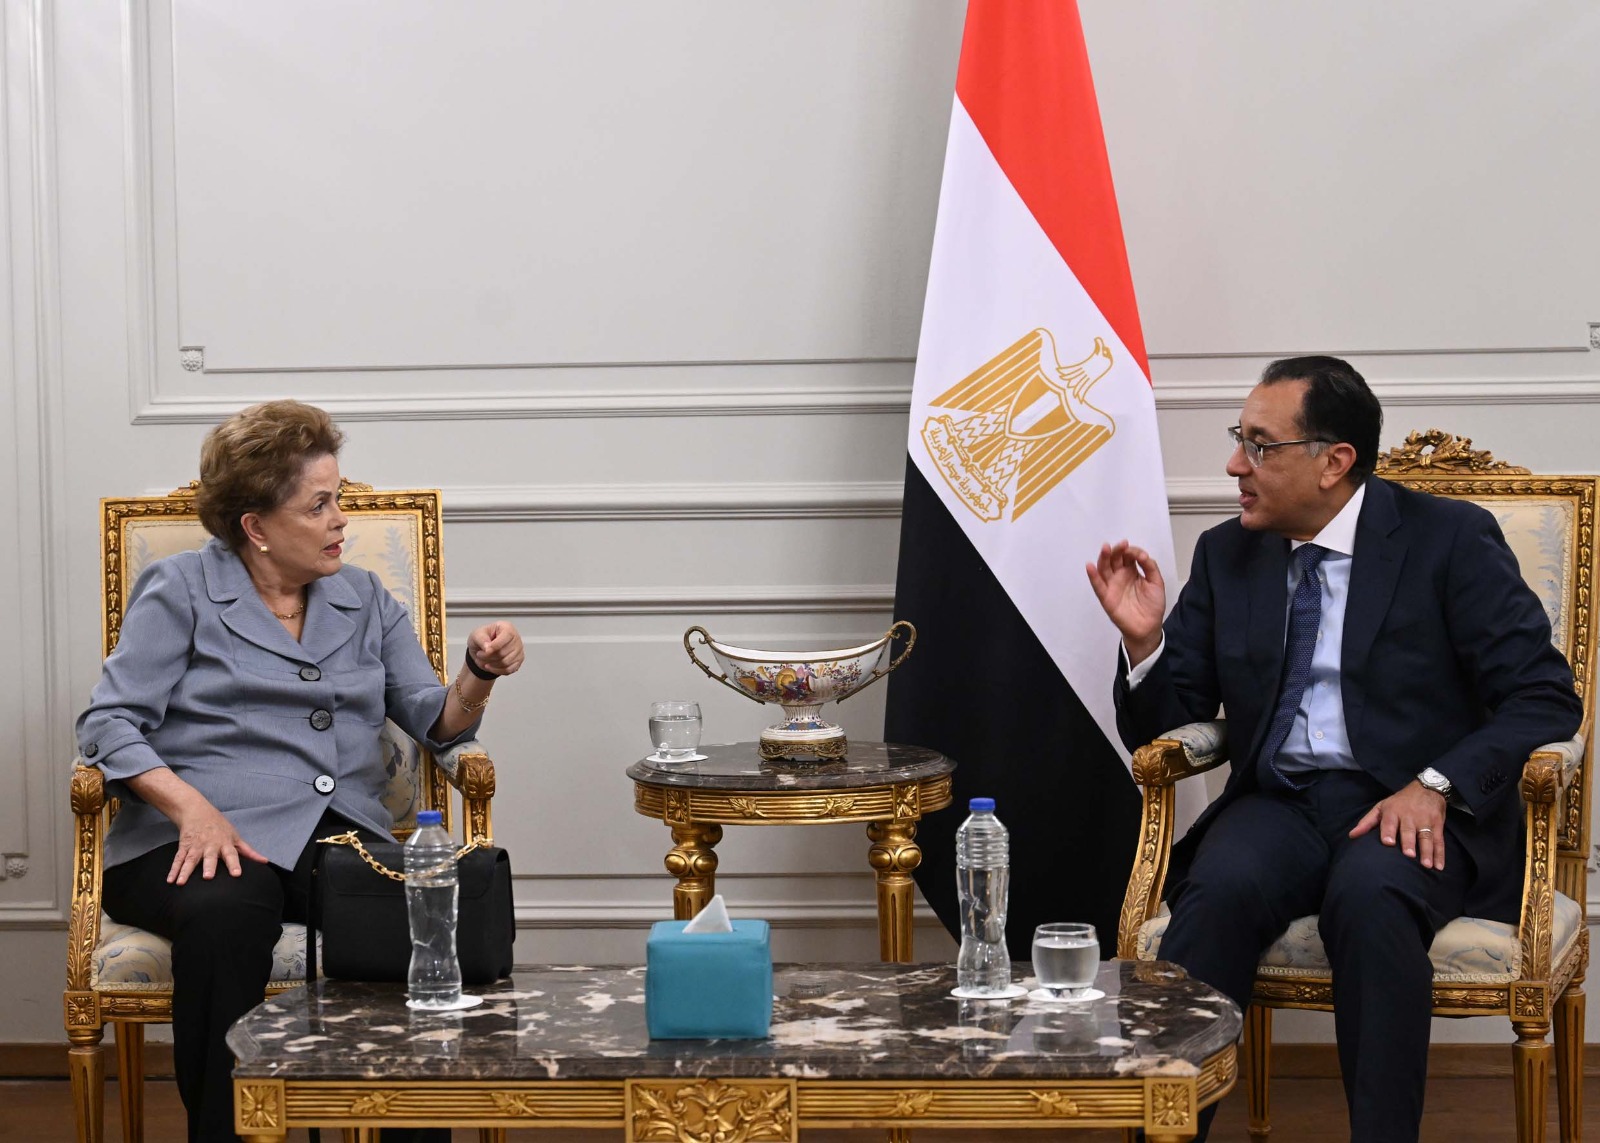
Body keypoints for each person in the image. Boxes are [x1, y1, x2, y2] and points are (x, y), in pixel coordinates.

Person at [1086, 356, 1581, 1142]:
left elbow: (1545, 695)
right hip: (1279, 804)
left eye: (1259, 444)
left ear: (1334, 460)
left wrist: (1437, 784)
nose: (1234, 464)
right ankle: (1166, 1133)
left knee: (1371, 897)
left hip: (1407, 806)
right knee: (1217, 893)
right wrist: (1145, 644)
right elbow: (1172, 722)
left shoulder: (1447, 539)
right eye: (1238, 438)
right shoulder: (1227, 553)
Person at [77, 400, 525, 1143]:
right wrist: (190, 807)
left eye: (337, 497)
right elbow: (107, 723)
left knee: (421, 914)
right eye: (319, 505)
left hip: (332, 836)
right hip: (190, 838)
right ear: (256, 526)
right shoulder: (181, 588)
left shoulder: (364, 595)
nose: (341, 519)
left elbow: (431, 716)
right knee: (228, 908)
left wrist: (479, 672)